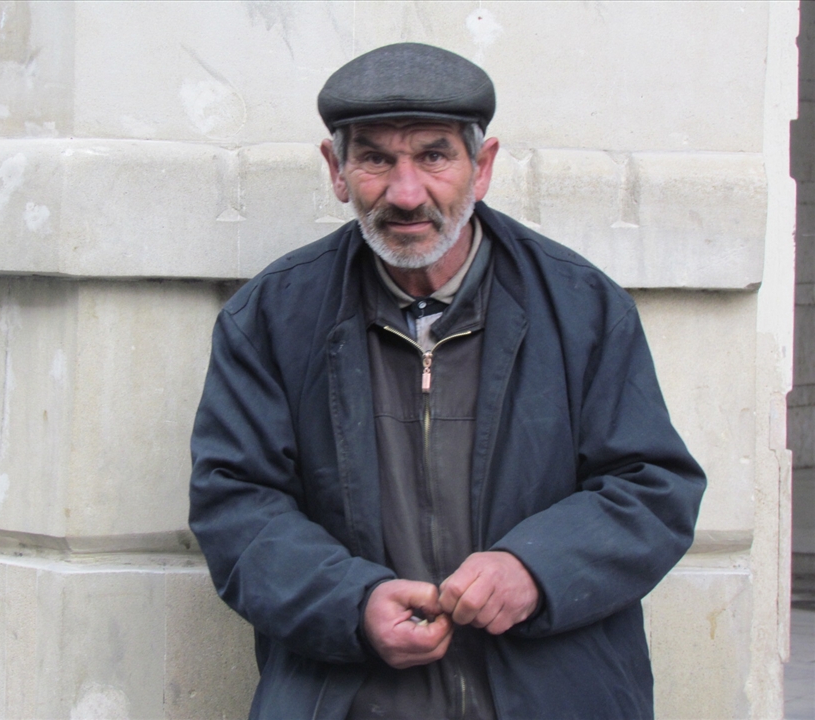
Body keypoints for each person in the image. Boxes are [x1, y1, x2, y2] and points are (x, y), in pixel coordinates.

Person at [189, 42, 705, 720]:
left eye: (434, 156)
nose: (407, 194)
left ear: (481, 167)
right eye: (375, 158)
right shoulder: (270, 319)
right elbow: (236, 507)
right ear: (336, 170)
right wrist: (353, 602)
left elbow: (654, 489)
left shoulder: (583, 308)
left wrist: (535, 570)